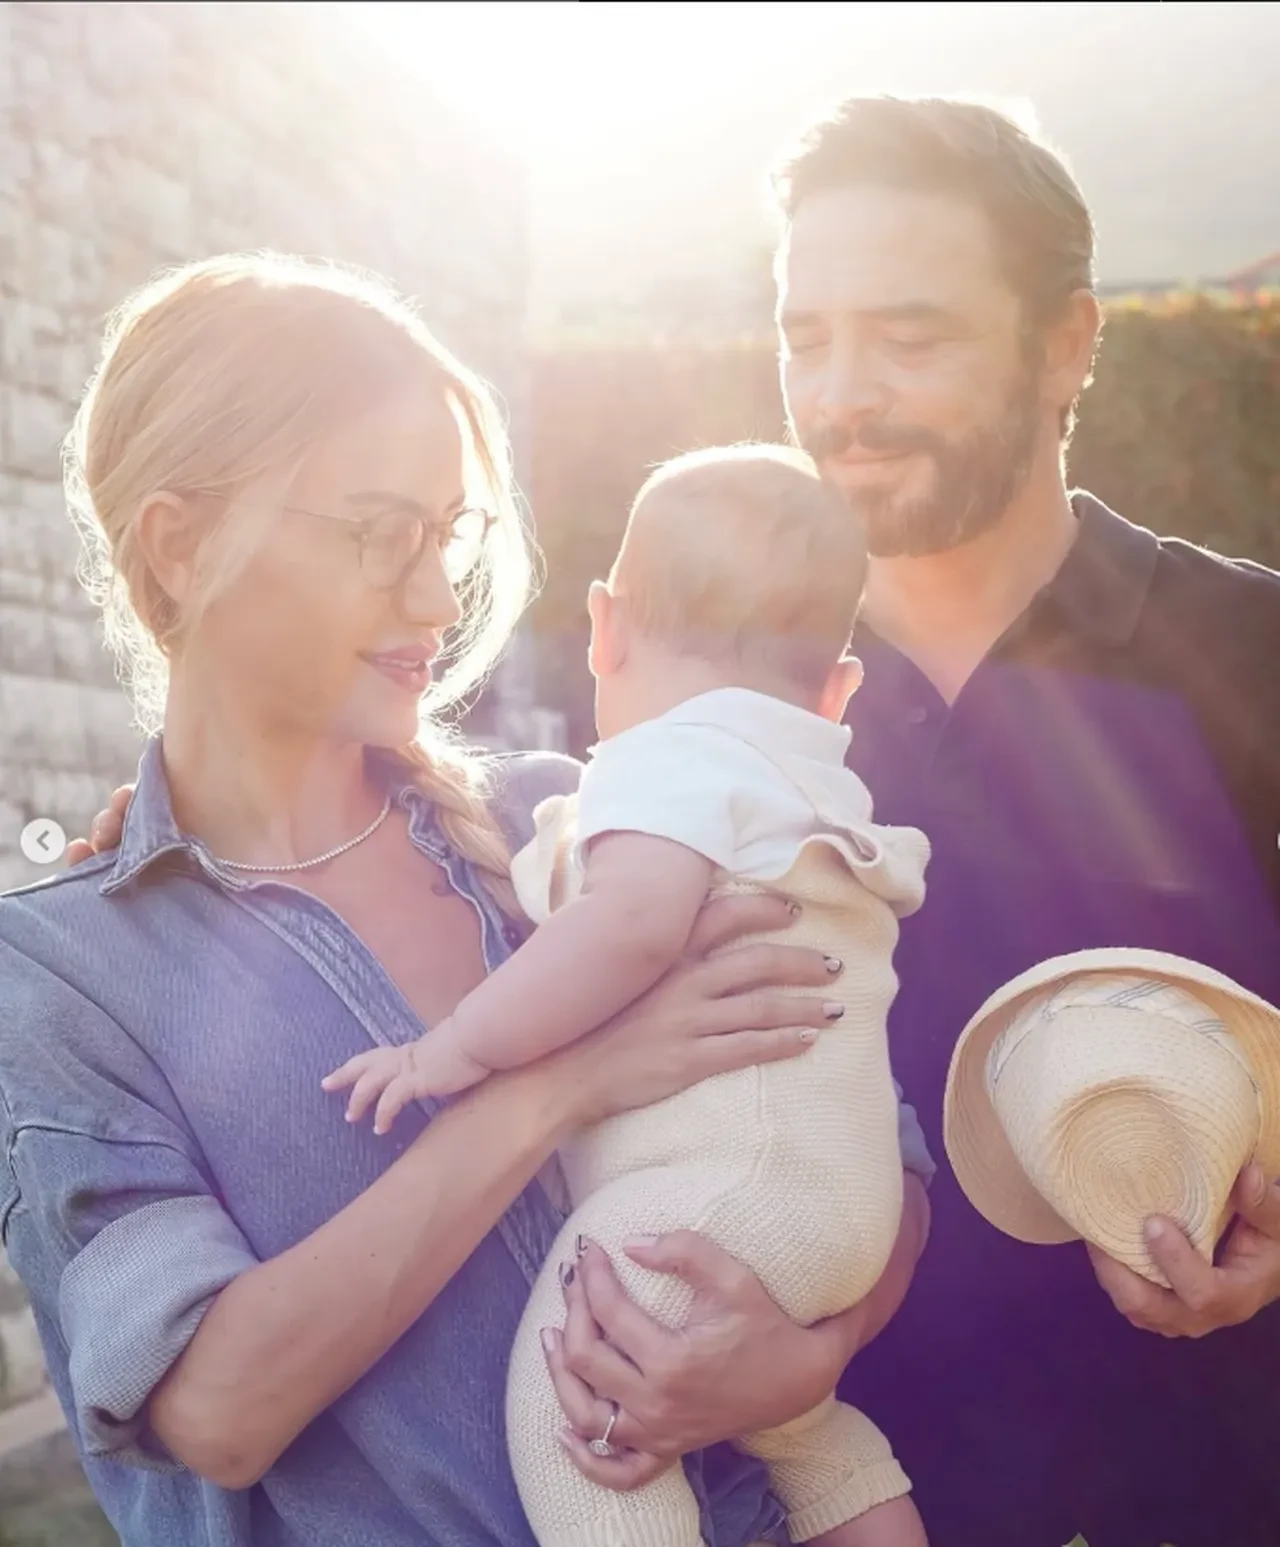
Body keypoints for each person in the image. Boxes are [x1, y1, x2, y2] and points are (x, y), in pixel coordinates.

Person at [0, 254, 932, 1547]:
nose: (438, 599)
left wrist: (798, 1357)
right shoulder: (65, 968)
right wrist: (553, 1086)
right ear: (183, 540)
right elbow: (215, 1406)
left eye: (449, 537)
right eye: (381, 533)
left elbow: (863, 1143)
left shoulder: (587, 822)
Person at [768, 94, 1280, 1547]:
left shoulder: (1254, 649)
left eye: (909, 336)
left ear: (1069, 344)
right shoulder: (742, 696)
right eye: (807, 336)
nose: (842, 394)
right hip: (845, 1498)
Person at [326, 444, 933, 1547]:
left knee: (575, 1404)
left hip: (709, 1196)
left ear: (603, 627)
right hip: (833, 1200)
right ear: (837, 688)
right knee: (803, 1431)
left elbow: (627, 926)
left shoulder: (670, 760)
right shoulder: (810, 790)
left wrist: (454, 1046)